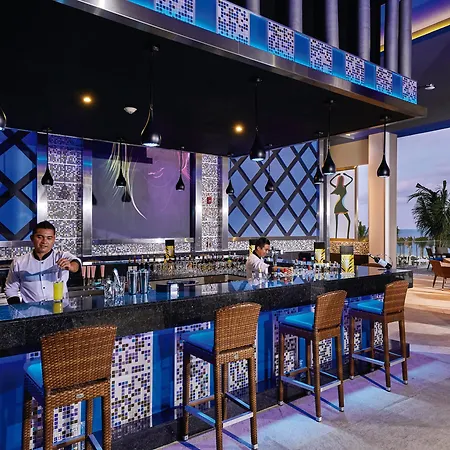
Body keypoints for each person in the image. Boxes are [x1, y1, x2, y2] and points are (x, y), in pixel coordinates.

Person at [5, 221, 81, 304]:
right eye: (40, 237)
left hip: (59, 308)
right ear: (32, 238)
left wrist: (71, 266)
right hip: (31, 310)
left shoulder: (61, 256)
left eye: (49, 238)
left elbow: (76, 263)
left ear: (54, 239)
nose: (44, 241)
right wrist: (17, 308)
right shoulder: (19, 262)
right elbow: (11, 288)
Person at [330, 172, 354, 239]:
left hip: (339, 205)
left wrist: (337, 175)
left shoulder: (338, 187)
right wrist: (346, 175)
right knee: (346, 221)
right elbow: (351, 179)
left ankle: (346, 237)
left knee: (347, 221)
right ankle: (340, 237)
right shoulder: (343, 187)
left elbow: (352, 179)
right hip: (339, 205)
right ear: (342, 180)